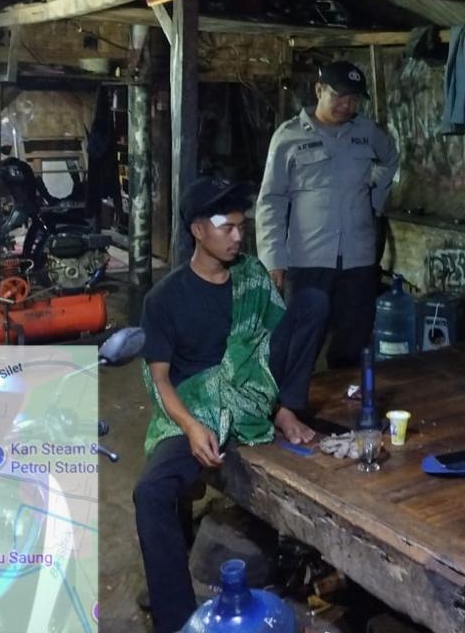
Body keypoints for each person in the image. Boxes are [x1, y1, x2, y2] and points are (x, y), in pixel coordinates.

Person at [134, 176, 312, 633]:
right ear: (198, 231)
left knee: (312, 303)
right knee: (151, 492)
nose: (238, 237)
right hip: (197, 410)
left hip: (250, 397)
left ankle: (285, 410)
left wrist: (281, 407)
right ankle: (176, 620)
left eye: (241, 227)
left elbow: (273, 342)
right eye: (227, 228)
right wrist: (191, 427)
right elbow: (160, 379)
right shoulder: (164, 299)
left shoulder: (251, 278)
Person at [256, 60, 399, 423]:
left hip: (358, 257)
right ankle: (284, 410)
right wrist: (273, 259)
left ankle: (345, 410)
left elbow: (391, 159)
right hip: (307, 258)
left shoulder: (367, 132)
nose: (346, 105)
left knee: (353, 338)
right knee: (300, 339)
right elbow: (271, 200)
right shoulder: (288, 137)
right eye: (339, 96)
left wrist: (374, 199)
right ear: (319, 90)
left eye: (354, 99)